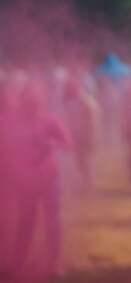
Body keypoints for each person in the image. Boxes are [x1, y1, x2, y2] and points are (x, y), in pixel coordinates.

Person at [7, 81, 72, 279]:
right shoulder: (12, 122)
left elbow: (67, 144)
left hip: (49, 179)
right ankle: (17, 265)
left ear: (41, 101)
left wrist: (52, 142)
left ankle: (54, 265)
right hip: (26, 180)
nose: (31, 105)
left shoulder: (50, 121)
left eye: (35, 101)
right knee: (26, 223)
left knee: (52, 222)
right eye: (28, 101)